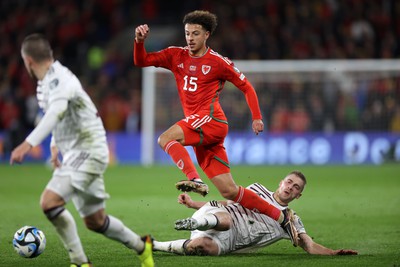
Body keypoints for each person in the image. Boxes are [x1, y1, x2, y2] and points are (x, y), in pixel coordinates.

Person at [134, 10, 297, 244]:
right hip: (202, 130)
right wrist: (139, 42)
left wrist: (257, 117)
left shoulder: (218, 62)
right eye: (187, 33)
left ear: (207, 35)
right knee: (230, 192)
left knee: (164, 139)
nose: (190, 38)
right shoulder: (175, 55)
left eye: (196, 34)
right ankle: (281, 217)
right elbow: (141, 61)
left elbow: (247, 87)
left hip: (211, 121)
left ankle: (195, 179)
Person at [10, 33, 154, 267]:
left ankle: (79, 262)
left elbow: (56, 112)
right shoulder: (44, 84)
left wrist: (28, 143)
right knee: (96, 221)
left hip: (88, 149)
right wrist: (55, 145)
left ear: (27, 61)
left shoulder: (60, 80)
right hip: (77, 151)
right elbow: (58, 115)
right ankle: (142, 246)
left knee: (49, 203)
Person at [153, 171, 358, 256]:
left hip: (229, 243)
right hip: (217, 216)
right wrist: (192, 204)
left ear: (298, 195)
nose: (290, 187)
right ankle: (194, 223)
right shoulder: (257, 189)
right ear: (280, 182)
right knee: (227, 219)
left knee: (200, 247)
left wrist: (333, 253)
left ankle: (155, 245)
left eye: (296, 187)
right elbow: (226, 202)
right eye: (288, 182)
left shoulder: (292, 220)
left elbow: (309, 245)